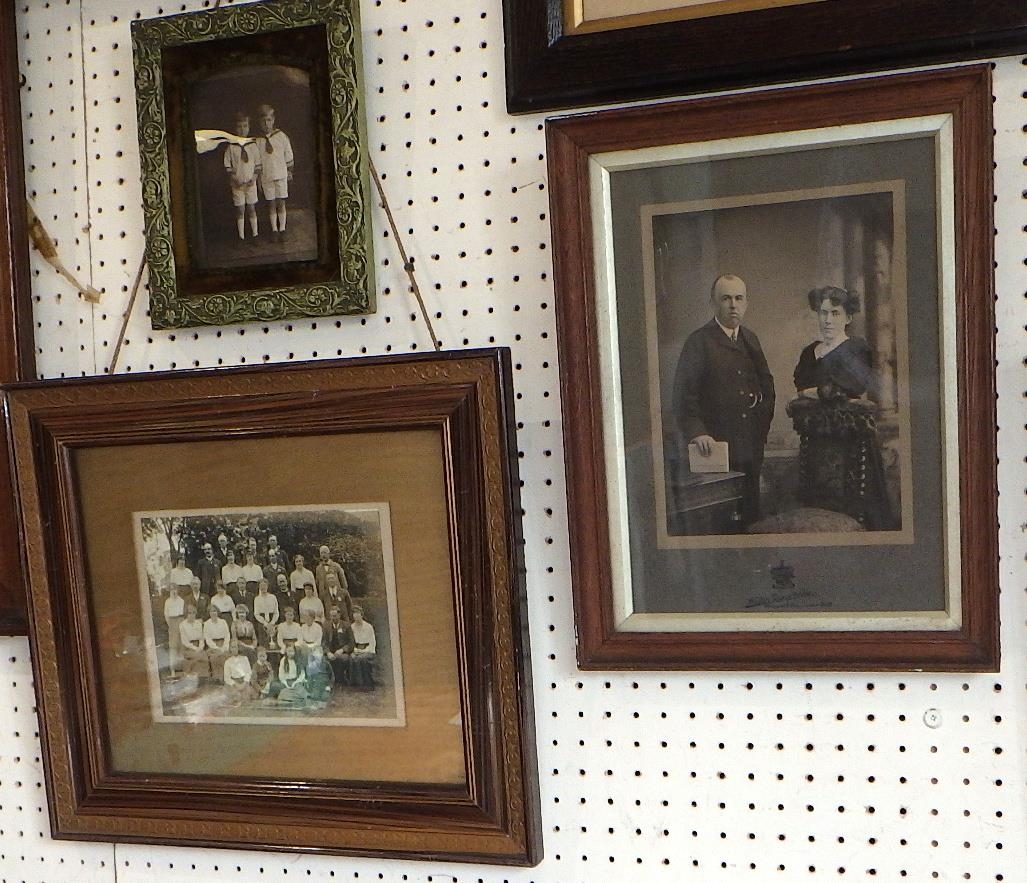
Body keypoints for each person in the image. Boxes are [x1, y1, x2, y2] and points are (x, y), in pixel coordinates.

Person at [671, 274, 776, 526]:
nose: (733, 305)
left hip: (751, 447)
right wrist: (698, 433)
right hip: (716, 449)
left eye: (739, 298)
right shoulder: (699, 342)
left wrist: (760, 428)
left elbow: (767, 387)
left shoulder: (750, 339)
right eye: (726, 299)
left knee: (751, 515)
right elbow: (683, 396)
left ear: (746, 303)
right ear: (713, 303)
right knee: (722, 519)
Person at [792, 285, 894, 529]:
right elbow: (802, 385)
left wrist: (815, 392)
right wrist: (816, 392)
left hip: (853, 444)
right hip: (817, 443)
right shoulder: (810, 353)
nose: (828, 320)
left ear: (848, 318)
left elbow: (846, 388)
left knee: (861, 508)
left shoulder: (857, 349)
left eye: (835, 313)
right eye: (823, 312)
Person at [255, 104, 294, 239]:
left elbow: (288, 154)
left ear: (273, 120)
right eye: (263, 121)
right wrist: (258, 179)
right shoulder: (258, 141)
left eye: (269, 120)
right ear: (259, 122)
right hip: (267, 176)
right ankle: (274, 230)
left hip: (281, 174)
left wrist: (289, 170)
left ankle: (282, 229)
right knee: (271, 203)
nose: (267, 124)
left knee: (281, 202)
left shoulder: (281, 136)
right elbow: (257, 161)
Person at [223, 110, 260, 242]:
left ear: (249, 127)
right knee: (240, 209)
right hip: (237, 184)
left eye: (245, 126)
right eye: (239, 126)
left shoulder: (253, 146)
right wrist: (234, 179)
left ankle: (255, 235)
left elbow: (258, 165)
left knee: (251, 208)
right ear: (235, 128)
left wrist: (253, 178)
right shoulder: (231, 147)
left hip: (250, 183)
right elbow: (227, 165)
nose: (242, 129)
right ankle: (241, 237)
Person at [323, 605, 354, 685]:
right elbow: (324, 642)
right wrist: (328, 652)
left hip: (342, 652)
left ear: (339, 615)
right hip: (331, 651)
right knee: (323, 659)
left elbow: (351, 643)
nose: (333, 618)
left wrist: (342, 650)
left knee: (342, 659)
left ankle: (340, 680)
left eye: (335, 616)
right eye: (331, 616)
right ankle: (329, 681)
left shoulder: (346, 625)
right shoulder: (326, 626)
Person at [348, 605, 376, 689]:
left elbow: (372, 643)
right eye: (354, 614)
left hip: (368, 650)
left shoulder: (368, 627)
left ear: (361, 615)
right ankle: (356, 683)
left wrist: (364, 651)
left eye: (358, 613)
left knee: (361, 659)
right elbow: (351, 642)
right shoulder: (351, 627)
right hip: (356, 649)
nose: (356, 616)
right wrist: (354, 650)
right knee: (352, 658)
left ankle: (367, 683)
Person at [162, 583, 186, 677]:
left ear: (178, 590)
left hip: (180, 621)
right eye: (172, 590)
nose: (174, 591)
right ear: (170, 591)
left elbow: (183, 614)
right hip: (172, 623)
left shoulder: (181, 600)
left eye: (175, 589)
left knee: (181, 646)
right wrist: (171, 626)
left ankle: (183, 669)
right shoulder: (167, 602)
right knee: (173, 647)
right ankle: (173, 671)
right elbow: (166, 615)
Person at [203, 606, 231, 683]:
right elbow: (207, 638)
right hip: (213, 645)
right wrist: (216, 648)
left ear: (217, 612)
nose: (213, 613)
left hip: (223, 643)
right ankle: (218, 678)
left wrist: (225, 646)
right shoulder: (207, 624)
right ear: (209, 613)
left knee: (226, 656)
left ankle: (227, 678)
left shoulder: (223, 622)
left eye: (215, 611)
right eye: (211, 611)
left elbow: (227, 635)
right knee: (215, 657)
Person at [178, 605, 207, 678]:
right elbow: (184, 641)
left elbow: (201, 638)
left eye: (194, 613)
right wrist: (195, 648)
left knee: (204, 656)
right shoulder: (182, 625)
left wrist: (200, 647)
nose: (192, 615)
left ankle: (202, 677)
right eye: (189, 613)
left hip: (198, 646)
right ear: (186, 614)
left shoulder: (198, 623)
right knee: (197, 656)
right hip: (187, 647)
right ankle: (193, 677)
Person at [222, 640, 253, 704]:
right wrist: (236, 684)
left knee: (246, 697)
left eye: (235, 647)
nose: (234, 649)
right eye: (232, 647)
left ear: (238, 648)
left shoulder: (244, 658)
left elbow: (248, 672)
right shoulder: (228, 661)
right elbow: (227, 677)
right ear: (230, 648)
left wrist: (244, 683)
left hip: (243, 681)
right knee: (236, 697)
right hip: (234, 683)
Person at [252, 578, 280, 648]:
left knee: (274, 643)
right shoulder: (257, 599)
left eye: (264, 585)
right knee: (263, 643)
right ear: (259, 587)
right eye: (261, 586)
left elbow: (276, 612)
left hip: (272, 621)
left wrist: (272, 623)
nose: (263, 587)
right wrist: (265, 624)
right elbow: (256, 614)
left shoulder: (273, 597)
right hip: (262, 622)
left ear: (267, 586)